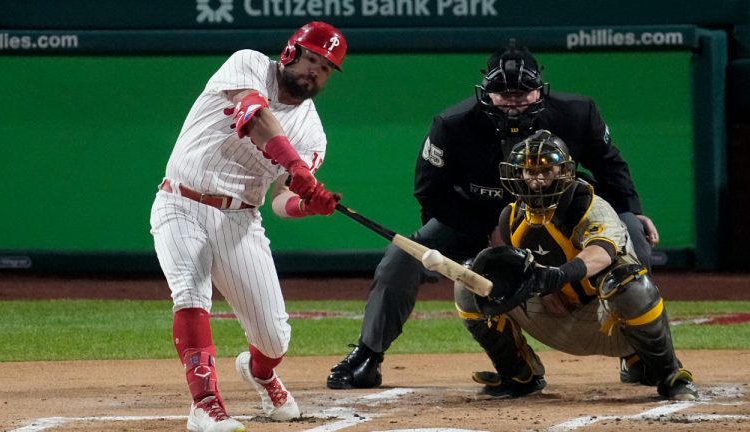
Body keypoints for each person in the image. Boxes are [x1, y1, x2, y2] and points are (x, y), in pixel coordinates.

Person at [326, 40, 659, 390]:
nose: (513, 101)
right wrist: (490, 236)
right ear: (486, 93)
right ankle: (368, 355)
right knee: (400, 258)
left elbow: (610, 167)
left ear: (539, 91)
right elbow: (430, 191)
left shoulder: (577, 113)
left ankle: (640, 351)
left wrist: (630, 211)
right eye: (503, 93)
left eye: (522, 92)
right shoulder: (452, 125)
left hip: (562, 222)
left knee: (633, 236)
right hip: (476, 222)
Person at [149, 21, 345, 431]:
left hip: (241, 220)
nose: (316, 71)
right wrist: (294, 166)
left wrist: (308, 206)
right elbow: (254, 114)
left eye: (326, 68)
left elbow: (279, 202)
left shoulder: (313, 133)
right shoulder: (249, 63)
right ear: (291, 52)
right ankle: (206, 406)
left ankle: (260, 372)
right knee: (189, 293)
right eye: (312, 59)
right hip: (181, 201)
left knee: (275, 338)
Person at [453, 129, 697, 401]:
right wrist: (540, 289)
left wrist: (558, 276)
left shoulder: (589, 206)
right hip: (557, 319)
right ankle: (519, 375)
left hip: (610, 322)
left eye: (547, 171)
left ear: (564, 171)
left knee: (630, 283)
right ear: (517, 174)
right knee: (471, 283)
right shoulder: (510, 217)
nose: (538, 180)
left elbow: (601, 253)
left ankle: (667, 373)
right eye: (529, 171)